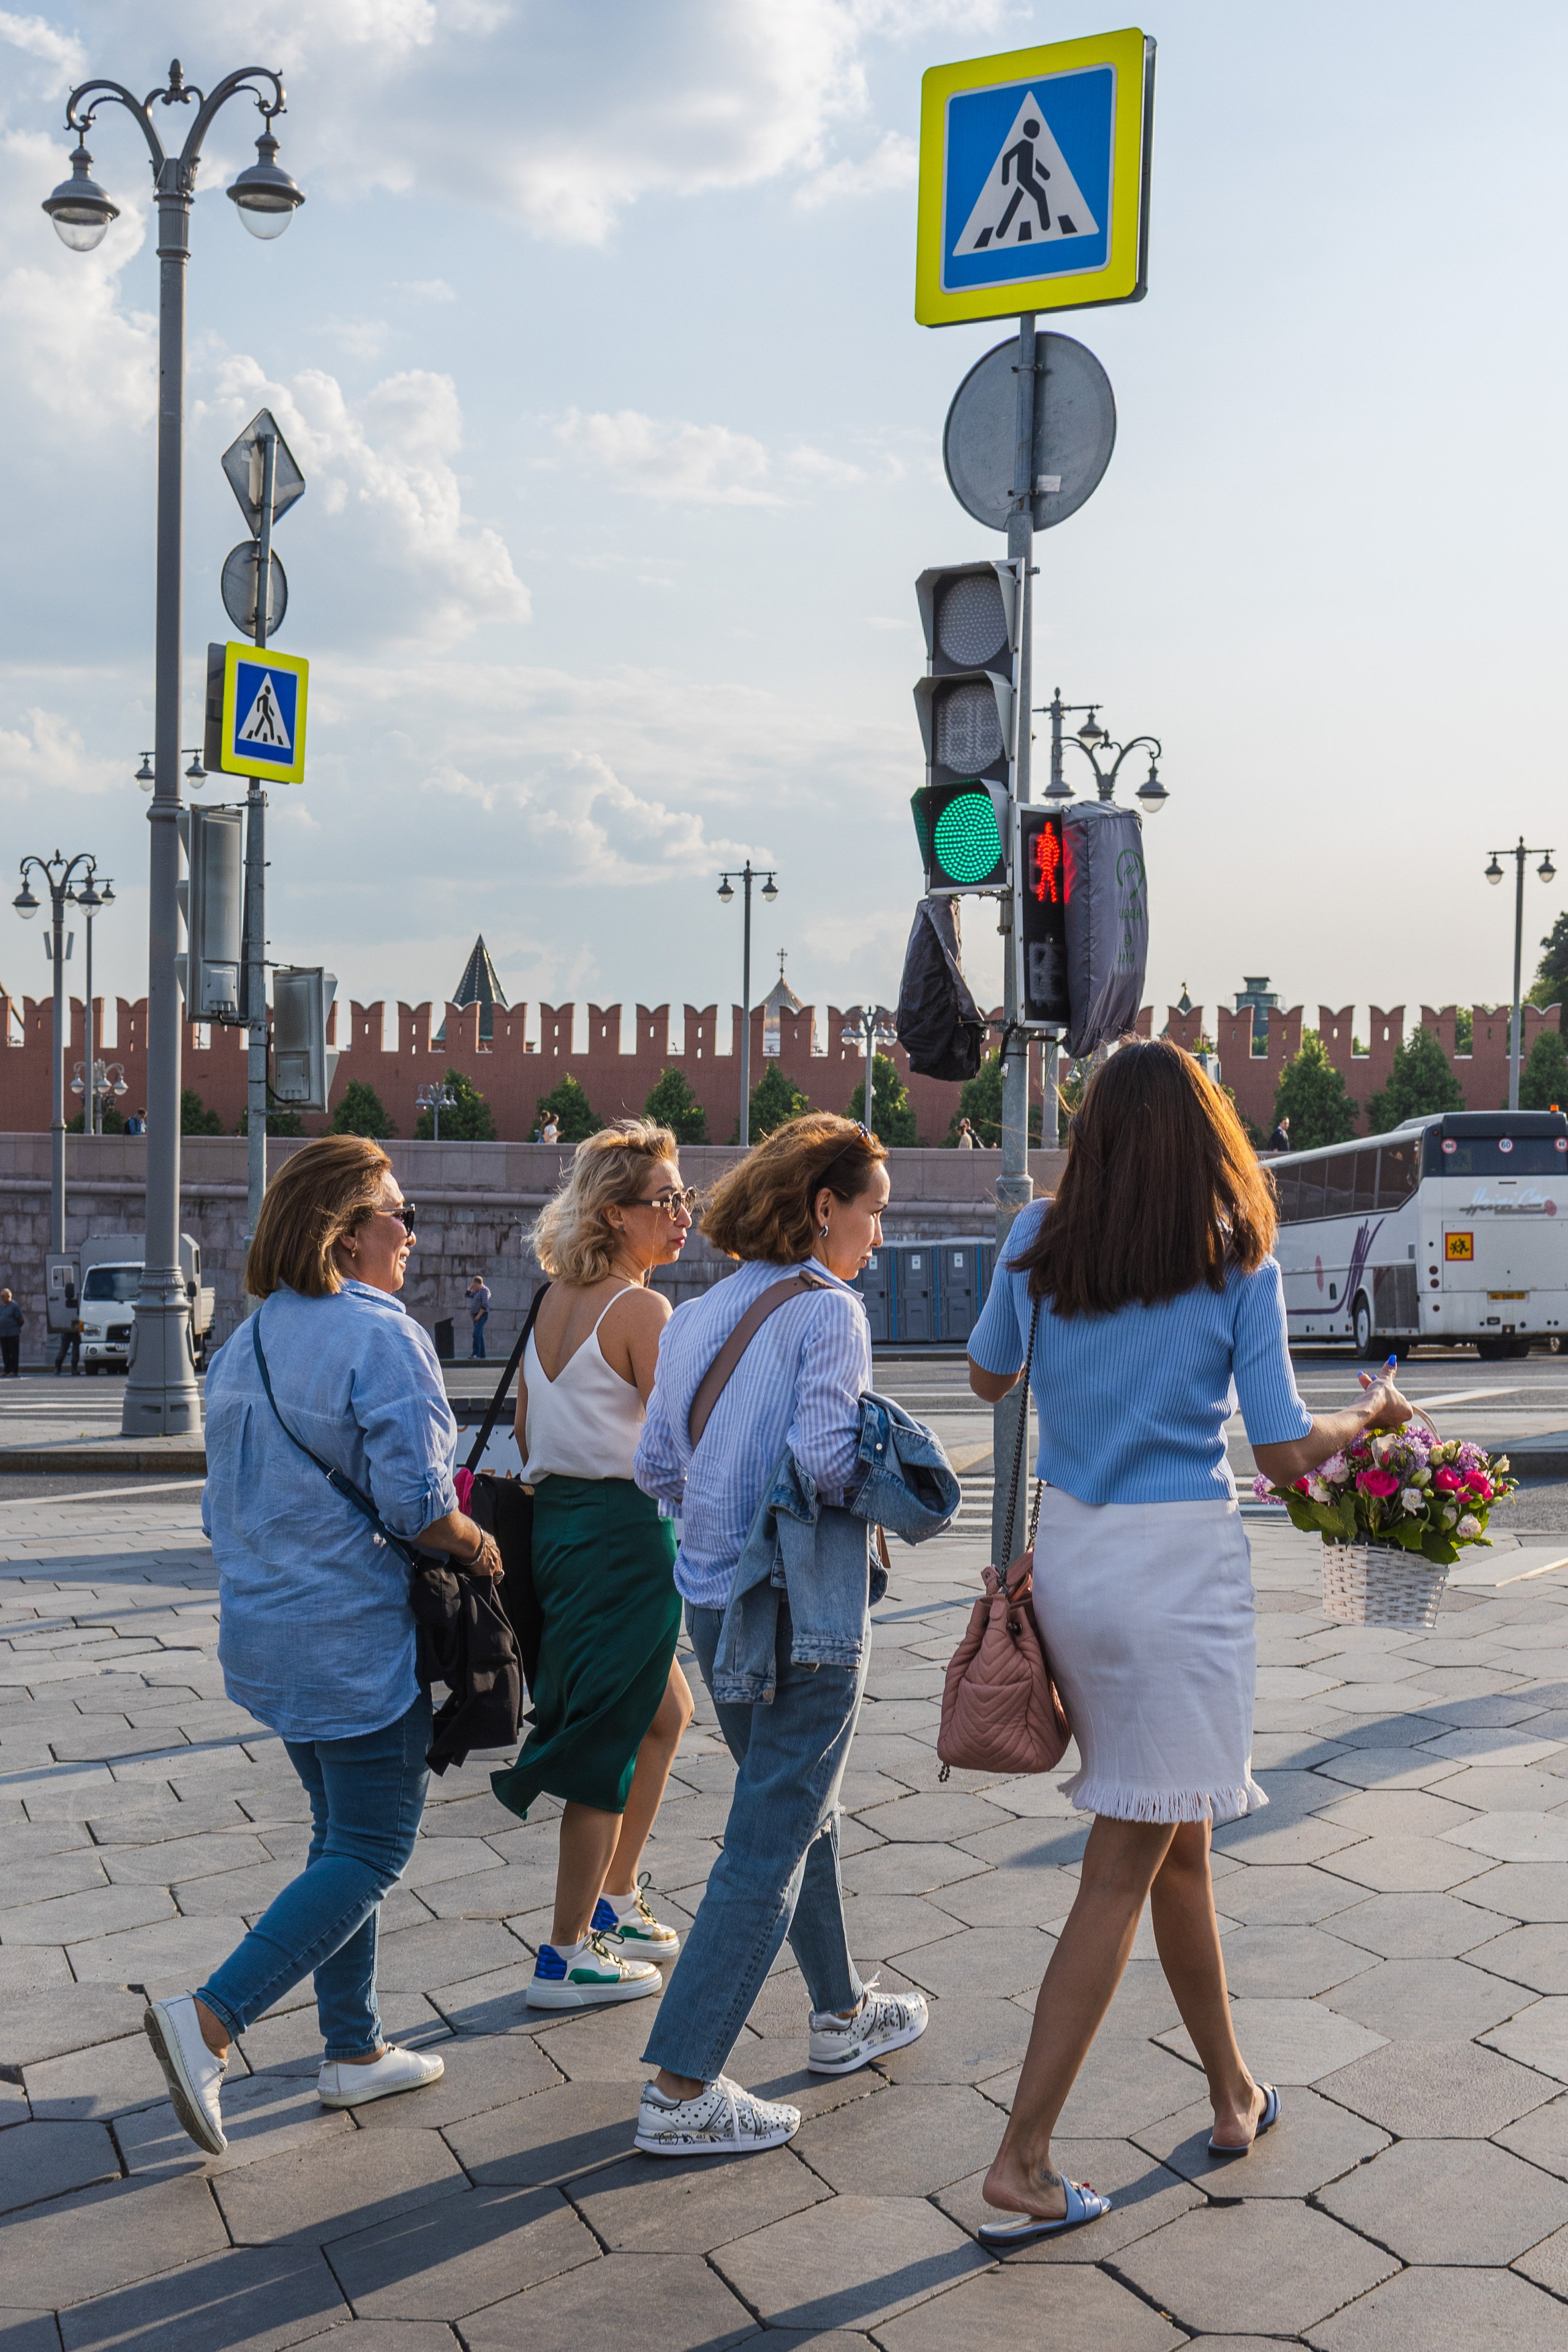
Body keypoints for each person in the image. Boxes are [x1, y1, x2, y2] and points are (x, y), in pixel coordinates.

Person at [964, 1038, 1412, 2247]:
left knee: (1178, 1844)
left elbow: (985, 1378)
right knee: (1124, 1859)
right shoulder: (1232, 1260)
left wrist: (1036, 1296)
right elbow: (1274, 1451)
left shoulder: (1036, 1238)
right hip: (1175, 1570)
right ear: (1203, 1132)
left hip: (1076, 1558)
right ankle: (1021, 2157)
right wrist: (1363, 1421)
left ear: (1095, 1131)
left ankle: (1228, 2091)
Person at [140, 1136, 505, 2157]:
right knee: (372, 1848)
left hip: (267, 1635)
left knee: (334, 1835)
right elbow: (418, 1504)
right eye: (399, 1213)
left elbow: (223, 1508)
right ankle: (208, 2023)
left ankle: (355, 2048)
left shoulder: (249, 1340)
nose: (412, 1231)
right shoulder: (380, 1335)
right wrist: (479, 1544)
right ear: (347, 1231)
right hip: (354, 1638)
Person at [631, 1113, 929, 2160]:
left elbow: (657, 1467)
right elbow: (827, 1462)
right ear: (823, 1208)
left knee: (797, 1809)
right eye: (874, 1212)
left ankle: (841, 2011)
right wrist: (888, 1465)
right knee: (769, 1836)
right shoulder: (831, 1313)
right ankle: (682, 2086)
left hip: (714, 1600)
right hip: (806, 1606)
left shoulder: (700, 1311)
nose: (880, 1236)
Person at [492, 1120, 696, 2010]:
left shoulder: (552, 1303)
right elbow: (677, 1446)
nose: (682, 1215)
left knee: (664, 1715)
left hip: (561, 1530)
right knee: (607, 1741)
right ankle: (564, 1953)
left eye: (683, 1197)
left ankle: (615, 1901)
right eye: (665, 1202)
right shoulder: (644, 1311)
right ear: (615, 1216)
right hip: (623, 1534)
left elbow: (533, 1434)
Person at [466, 1273, 492, 1360]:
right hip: (476, 1316)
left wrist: (479, 1316)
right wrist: (470, 1288)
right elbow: (468, 1295)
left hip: (481, 1315)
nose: (473, 1286)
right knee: (479, 1335)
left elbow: (485, 1305)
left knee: (476, 1334)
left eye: (474, 1284)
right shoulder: (477, 1291)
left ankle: (476, 1353)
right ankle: (482, 1354)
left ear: (478, 1284)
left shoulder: (484, 1291)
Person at [0, 1291, 21, 1378]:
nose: (1, 1298)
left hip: (13, 1333)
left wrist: (16, 1328)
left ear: (8, 1296)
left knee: (14, 1353)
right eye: (1, 1296)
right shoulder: (1, 1306)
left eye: (3, 1296)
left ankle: (14, 1371)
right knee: (5, 1353)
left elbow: (20, 1319)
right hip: (3, 1333)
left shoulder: (14, 1306)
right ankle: (7, 1370)